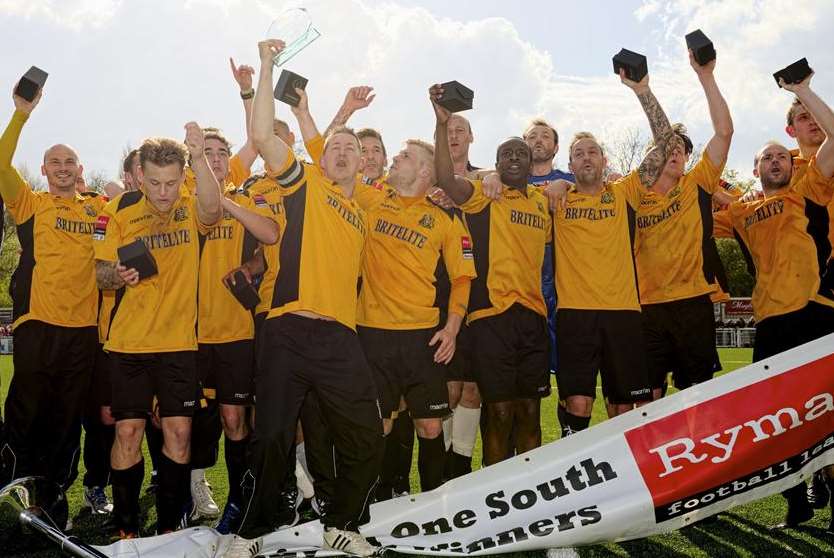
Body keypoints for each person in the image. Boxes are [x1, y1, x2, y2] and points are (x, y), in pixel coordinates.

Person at [231, 40, 383, 558]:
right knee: (271, 437)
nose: (343, 153)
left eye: (353, 150)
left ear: (364, 164)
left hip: (341, 337)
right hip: (289, 330)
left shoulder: (362, 209)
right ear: (323, 158)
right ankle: (250, 534)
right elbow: (260, 135)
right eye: (335, 147)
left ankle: (342, 523)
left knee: (366, 438)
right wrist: (269, 66)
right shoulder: (305, 187)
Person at [714, 71, 834, 532]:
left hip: (815, 313)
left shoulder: (808, 190)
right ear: (756, 169)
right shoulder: (742, 211)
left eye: (783, 156)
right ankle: (797, 501)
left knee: (825, 412)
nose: (777, 162)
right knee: (776, 420)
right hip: (769, 323)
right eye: (768, 157)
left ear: (793, 164)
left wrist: (801, 89)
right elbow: (693, 202)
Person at [94, 127, 223, 538]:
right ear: (139, 175)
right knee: (127, 431)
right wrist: (119, 273)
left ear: (183, 176)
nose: (163, 192)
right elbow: (99, 274)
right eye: (154, 182)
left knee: (179, 433)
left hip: (179, 346)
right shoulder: (120, 211)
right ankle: (126, 528)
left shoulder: (192, 207)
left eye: (171, 182)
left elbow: (213, 205)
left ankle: (171, 529)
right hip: (129, 344)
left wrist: (199, 154)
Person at [430, 84, 552, 467]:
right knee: (498, 413)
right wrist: (441, 125)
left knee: (530, 413)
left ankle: (529, 492)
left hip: (533, 319)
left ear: (531, 162)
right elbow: (447, 180)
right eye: (506, 154)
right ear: (496, 164)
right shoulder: (485, 194)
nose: (514, 157)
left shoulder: (544, 201)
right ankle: (495, 490)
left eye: (521, 152)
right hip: (490, 318)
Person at [0, 82, 102, 505]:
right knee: (27, 408)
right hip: (37, 323)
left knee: (67, 417)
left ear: (80, 170)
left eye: (70, 162)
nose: (62, 168)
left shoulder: (98, 211)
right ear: (43, 171)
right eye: (54, 162)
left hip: (84, 330)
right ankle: (13, 481)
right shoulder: (30, 204)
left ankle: (54, 490)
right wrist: (22, 113)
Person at [356, 138, 475, 493]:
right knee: (379, 425)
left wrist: (452, 330)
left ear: (425, 171)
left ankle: (434, 509)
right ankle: (371, 507)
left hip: (422, 339)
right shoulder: (372, 199)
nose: (395, 157)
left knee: (431, 427)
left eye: (404, 156)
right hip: (372, 335)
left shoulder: (446, 218)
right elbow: (324, 162)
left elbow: (462, 279)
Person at [632, 47, 733, 399]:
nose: (675, 151)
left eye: (682, 148)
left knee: (698, 397)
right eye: (668, 147)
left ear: (689, 157)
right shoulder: (633, 193)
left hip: (694, 302)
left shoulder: (698, 183)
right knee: (649, 399)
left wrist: (706, 77)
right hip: (646, 305)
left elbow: (723, 133)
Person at [194, 125, 280, 529]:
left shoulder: (247, 198)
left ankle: (238, 497)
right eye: (206, 152)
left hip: (235, 331)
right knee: (184, 420)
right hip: (187, 333)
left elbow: (269, 250)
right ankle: (190, 491)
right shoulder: (180, 199)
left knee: (234, 420)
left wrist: (249, 267)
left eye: (220, 152)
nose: (214, 158)